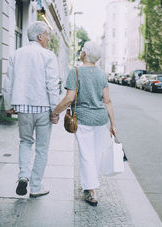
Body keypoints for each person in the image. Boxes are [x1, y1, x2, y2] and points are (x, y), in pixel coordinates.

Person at [50, 41, 116, 207]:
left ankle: (92, 191)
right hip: (101, 120)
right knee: (94, 155)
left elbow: (69, 98)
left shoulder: (76, 72)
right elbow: (107, 101)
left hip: (84, 120)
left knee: (86, 155)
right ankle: (89, 187)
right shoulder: (102, 74)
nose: (81, 52)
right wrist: (113, 125)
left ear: (85, 54)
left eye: (82, 50)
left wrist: (55, 112)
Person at [3, 21, 60, 198]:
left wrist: (8, 105)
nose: (49, 39)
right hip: (43, 108)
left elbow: (8, 83)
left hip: (24, 108)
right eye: (47, 35)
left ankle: (23, 176)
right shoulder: (48, 56)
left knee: (25, 142)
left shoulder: (16, 55)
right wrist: (55, 110)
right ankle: (35, 187)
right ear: (39, 36)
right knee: (42, 148)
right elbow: (52, 85)